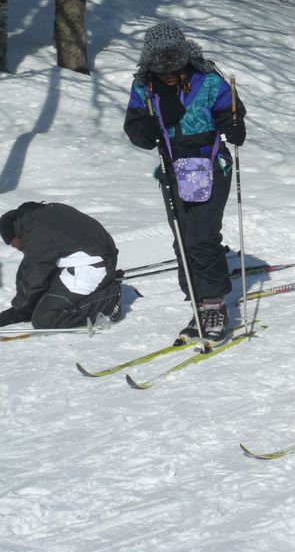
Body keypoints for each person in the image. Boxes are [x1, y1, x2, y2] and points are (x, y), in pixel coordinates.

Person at [123, 22, 246, 343]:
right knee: (183, 237)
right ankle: (198, 302)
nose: (167, 73)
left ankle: (214, 303)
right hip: (174, 167)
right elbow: (134, 126)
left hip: (209, 163)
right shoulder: (144, 88)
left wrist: (233, 127)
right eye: (159, 66)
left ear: (184, 57)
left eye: (173, 64)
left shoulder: (207, 81)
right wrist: (143, 132)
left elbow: (232, 112)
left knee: (202, 236)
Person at [0, 202, 120, 329]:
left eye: (13, 244)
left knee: (45, 319)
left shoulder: (37, 234)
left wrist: (18, 310)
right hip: (98, 255)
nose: (17, 248)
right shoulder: (44, 214)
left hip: (93, 266)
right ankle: (104, 283)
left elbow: (33, 278)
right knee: (40, 281)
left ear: (15, 235)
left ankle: (109, 299)